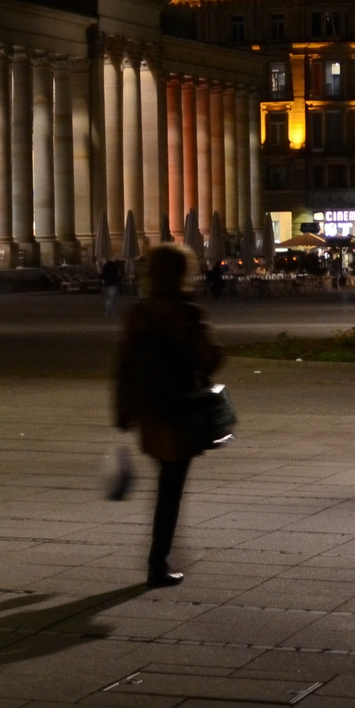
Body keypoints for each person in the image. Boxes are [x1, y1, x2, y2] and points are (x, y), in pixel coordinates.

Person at [115, 244, 223, 588]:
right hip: (181, 409)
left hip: (150, 410)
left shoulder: (139, 313)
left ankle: (160, 557)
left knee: (166, 480)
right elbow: (208, 360)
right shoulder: (188, 312)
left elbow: (123, 365)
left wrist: (122, 409)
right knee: (171, 487)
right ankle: (157, 562)